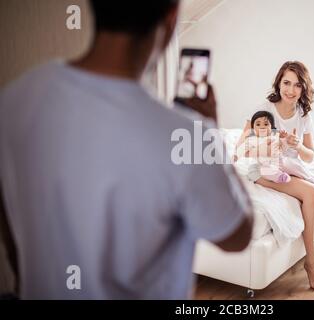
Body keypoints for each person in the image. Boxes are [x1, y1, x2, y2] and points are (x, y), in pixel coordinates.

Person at [0, 1, 253, 299]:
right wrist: (210, 130)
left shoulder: (14, 99)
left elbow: (11, 224)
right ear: (171, 18)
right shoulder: (186, 136)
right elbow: (237, 236)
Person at [235, 61, 314, 291]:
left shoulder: (302, 114)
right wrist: (271, 142)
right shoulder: (264, 109)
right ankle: (311, 264)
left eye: (297, 85)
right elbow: (242, 144)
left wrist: (297, 146)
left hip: (290, 165)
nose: (290, 90)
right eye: (286, 83)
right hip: (267, 168)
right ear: (279, 83)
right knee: (313, 193)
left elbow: (309, 156)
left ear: (304, 89)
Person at [238, 110, 314, 186]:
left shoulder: (274, 137)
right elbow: (245, 152)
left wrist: (285, 140)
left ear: (271, 127)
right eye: (258, 124)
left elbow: (283, 148)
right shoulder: (253, 140)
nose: (262, 126)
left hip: (282, 161)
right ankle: (280, 177)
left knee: (296, 166)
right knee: (265, 171)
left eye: (266, 124)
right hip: (266, 164)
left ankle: (310, 178)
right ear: (253, 128)